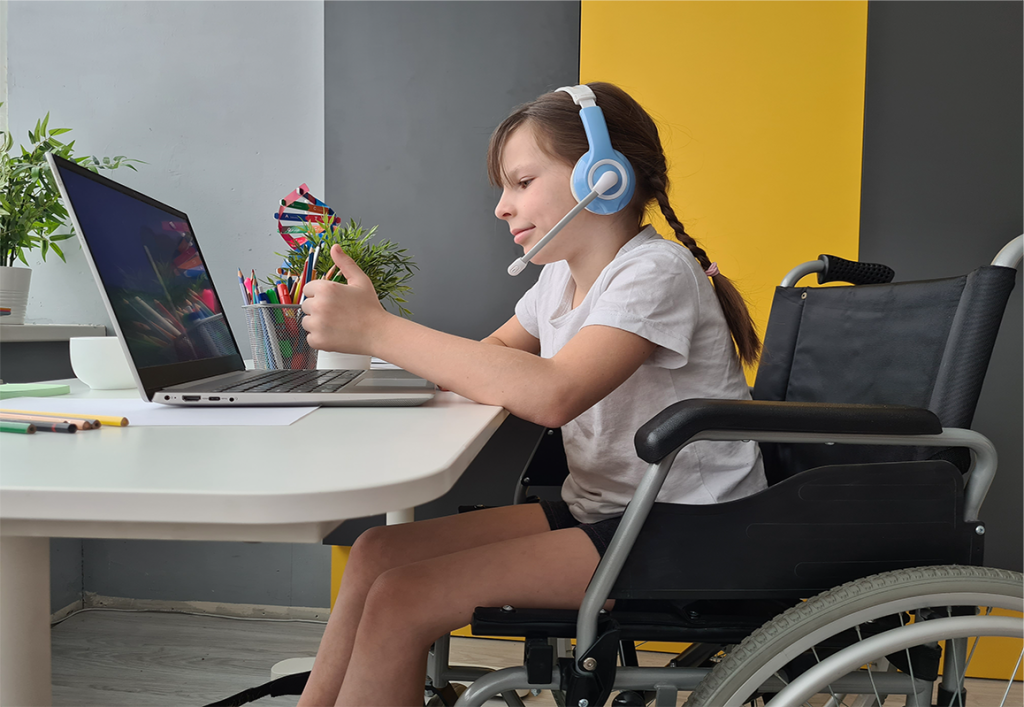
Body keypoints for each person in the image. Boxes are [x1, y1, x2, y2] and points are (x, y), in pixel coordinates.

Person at [295, 82, 766, 707]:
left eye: (520, 182)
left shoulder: (655, 273)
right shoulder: (557, 282)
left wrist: (379, 327)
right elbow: (491, 359)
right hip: (608, 513)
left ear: (604, 177)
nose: (501, 207)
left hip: (687, 530)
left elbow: (554, 394)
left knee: (402, 597)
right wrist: (372, 359)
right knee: (378, 551)